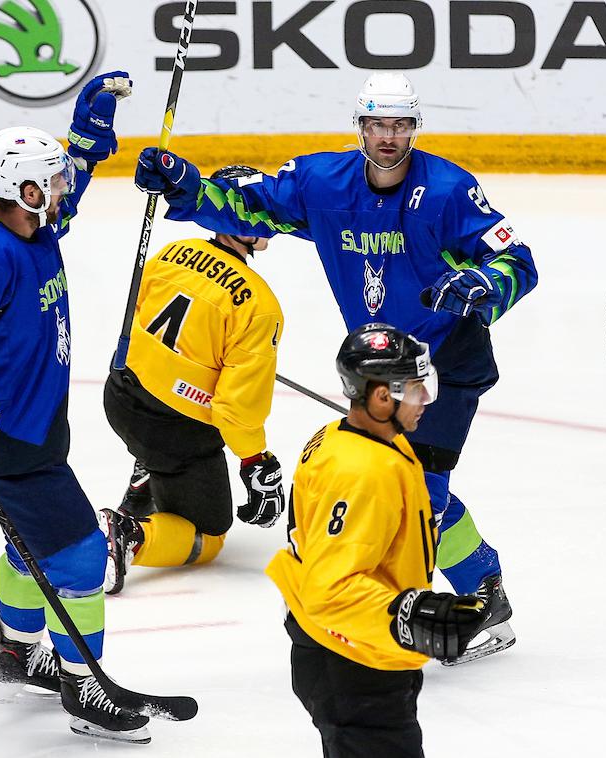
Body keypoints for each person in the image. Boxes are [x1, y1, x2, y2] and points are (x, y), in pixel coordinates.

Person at [133, 72, 538, 662]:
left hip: (445, 361)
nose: (389, 137)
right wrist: (187, 185)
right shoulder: (323, 183)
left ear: (413, 129)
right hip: (379, 363)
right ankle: (408, 599)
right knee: (370, 479)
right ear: (361, 127)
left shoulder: (448, 190)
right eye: (378, 125)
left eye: (400, 126)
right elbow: (249, 205)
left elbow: (517, 260)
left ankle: (478, 595)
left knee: (420, 490)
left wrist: (480, 284)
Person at [0, 73, 152, 742]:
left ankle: (16, 654)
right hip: (7, 432)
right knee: (78, 558)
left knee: (27, 549)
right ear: (25, 190)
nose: (64, 188)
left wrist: (85, 144)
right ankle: (86, 688)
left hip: (39, 427)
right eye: (55, 179)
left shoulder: (34, 228)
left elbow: (66, 195)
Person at [267, 323, 491, 757]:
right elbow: (329, 588)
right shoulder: (362, 472)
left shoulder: (353, 437)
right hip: (349, 658)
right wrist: (412, 612)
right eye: (414, 388)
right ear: (381, 396)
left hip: (360, 644)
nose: (426, 399)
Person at [99, 165, 285, 594]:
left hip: (120, 396)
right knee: (209, 533)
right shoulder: (258, 305)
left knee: (155, 433)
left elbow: (138, 323)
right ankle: (127, 534)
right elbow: (236, 410)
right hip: (175, 430)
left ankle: (147, 469)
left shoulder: (171, 252)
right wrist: (256, 462)